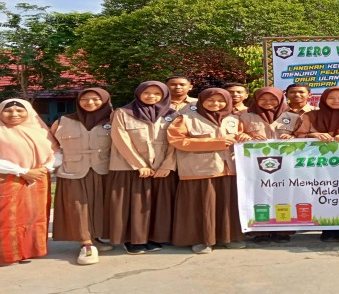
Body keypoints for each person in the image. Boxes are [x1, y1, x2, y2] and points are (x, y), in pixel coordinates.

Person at [0, 99, 60, 266]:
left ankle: (30, 250)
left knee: (33, 217)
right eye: (8, 111)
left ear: (29, 112)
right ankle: (2, 255)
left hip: (37, 179)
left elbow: (57, 153)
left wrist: (45, 168)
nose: (14, 114)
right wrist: (22, 171)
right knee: (1, 219)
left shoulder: (40, 130)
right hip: (2, 180)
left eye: (20, 110)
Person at [167, 88, 247, 254]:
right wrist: (216, 142)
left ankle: (228, 237)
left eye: (221, 100)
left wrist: (244, 137)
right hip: (199, 170)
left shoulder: (233, 119)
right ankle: (201, 240)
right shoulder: (186, 119)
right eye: (210, 100)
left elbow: (240, 137)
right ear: (201, 101)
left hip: (229, 170)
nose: (215, 104)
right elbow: (177, 140)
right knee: (201, 206)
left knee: (227, 206)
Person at [108, 81, 178, 255]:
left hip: (161, 168)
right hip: (129, 168)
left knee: (157, 204)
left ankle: (154, 237)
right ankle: (133, 240)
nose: (151, 96)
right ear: (138, 93)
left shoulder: (172, 115)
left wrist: (167, 165)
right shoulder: (123, 113)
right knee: (135, 205)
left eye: (157, 93)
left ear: (164, 95)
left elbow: (175, 142)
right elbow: (120, 139)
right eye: (147, 92)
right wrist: (139, 165)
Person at [51, 88, 114, 265]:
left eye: (95, 99)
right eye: (84, 99)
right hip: (72, 171)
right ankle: (86, 244)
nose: (90, 102)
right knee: (78, 206)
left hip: (104, 170)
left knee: (99, 205)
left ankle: (95, 237)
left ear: (105, 100)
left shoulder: (113, 119)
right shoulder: (63, 121)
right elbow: (51, 145)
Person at [294, 86, 339, 242]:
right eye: (331, 98)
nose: (336, 101)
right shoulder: (310, 116)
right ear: (324, 99)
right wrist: (314, 135)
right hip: (317, 163)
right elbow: (298, 135)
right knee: (322, 193)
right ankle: (326, 228)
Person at [237, 87, 300, 244]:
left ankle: (282, 230)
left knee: (284, 194)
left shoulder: (293, 117)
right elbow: (237, 134)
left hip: (287, 164)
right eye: (263, 99)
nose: (268, 102)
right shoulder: (244, 117)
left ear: (280, 100)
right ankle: (261, 231)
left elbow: (302, 135)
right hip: (255, 165)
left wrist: (293, 137)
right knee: (258, 195)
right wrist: (244, 136)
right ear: (255, 100)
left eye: (272, 99)